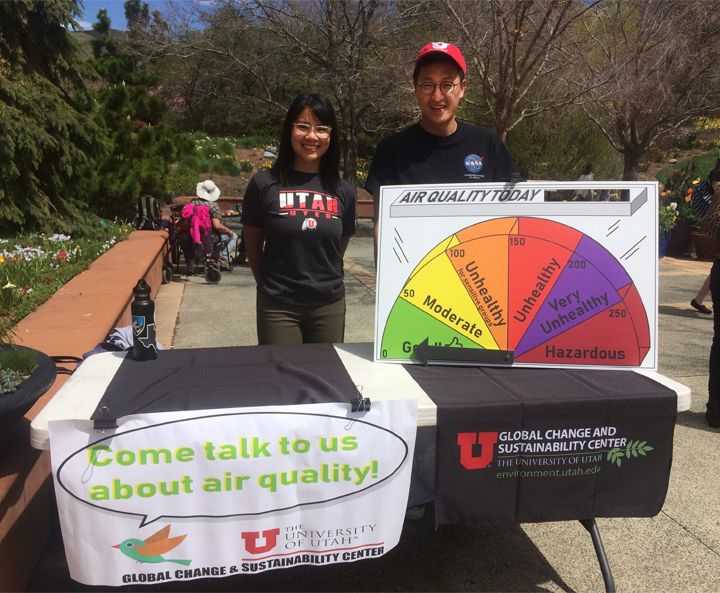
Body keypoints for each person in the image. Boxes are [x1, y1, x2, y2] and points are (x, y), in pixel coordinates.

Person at [365, 42, 519, 260]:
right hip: (416, 283)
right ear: (415, 88)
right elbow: (382, 226)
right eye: (427, 85)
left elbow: (513, 217)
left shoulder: (488, 144)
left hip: (478, 282)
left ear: (462, 88)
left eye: (447, 85)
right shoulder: (391, 150)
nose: (437, 96)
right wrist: (386, 287)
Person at [240, 92, 356, 345]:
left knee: (325, 377)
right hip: (279, 306)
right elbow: (253, 247)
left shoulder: (343, 191)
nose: (312, 136)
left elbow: (337, 248)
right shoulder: (263, 185)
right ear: (289, 129)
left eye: (321, 129)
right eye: (303, 126)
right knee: (281, 379)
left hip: (329, 305)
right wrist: (272, 287)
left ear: (331, 135)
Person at [691, 160, 720, 315]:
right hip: (716, 222)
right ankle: (699, 300)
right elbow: (717, 193)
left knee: (717, 270)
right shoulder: (716, 174)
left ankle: (698, 300)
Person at [192, 180, 238, 266]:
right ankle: (223, 259)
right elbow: (217, 226)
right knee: (233, 236)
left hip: (196, 235)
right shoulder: (213, 206)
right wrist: (228, 231)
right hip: (210, 236)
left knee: (220, 238)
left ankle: (212, 256)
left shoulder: (193, 203)